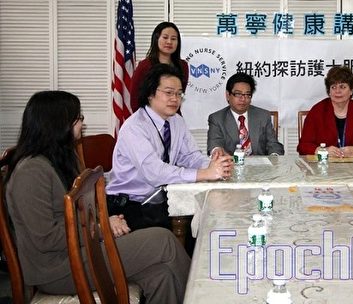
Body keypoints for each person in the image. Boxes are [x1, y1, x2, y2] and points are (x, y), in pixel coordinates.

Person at [5, 91, 190, 303]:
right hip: (56, 268)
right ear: (57, 124)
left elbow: (81, 211)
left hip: (80, 250)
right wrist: (102, 227)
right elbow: (46, 239)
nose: (82, 123)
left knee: (162, 276)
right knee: (164, 240)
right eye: (78, 118)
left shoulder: (62, 157)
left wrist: (105, 221)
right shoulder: (31, 172)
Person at [106, 63, 233, 231]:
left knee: (207, 219)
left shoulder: (176, 121)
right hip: (130, 204)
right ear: (150, 94)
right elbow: (155, 173)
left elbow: (189, 156)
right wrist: (205, 173)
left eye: (179, 94)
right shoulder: (135, 127)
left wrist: (215, 164)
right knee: (188, 229)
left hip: (160, 198)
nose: (175, 99)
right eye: (169, 93)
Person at [297, 65, 353, 157]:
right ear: (329, 91)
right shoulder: (317, 112)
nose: (338, 91)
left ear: (351, 90)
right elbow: (302, 146)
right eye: (333, 87)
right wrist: (323, 150)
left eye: (342, 87)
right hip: (325, 164)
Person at [207, 72, 284, 156]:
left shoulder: (263, 116)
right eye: (238, 94)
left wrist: (274, 156)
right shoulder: (217, 119)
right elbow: (215, 144)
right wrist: (217, 151)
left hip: (259, 163)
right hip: (230, 163)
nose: (243, 99)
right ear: (228, 95)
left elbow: (273, 144)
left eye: (247, 94)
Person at [130, 21, 189, 113]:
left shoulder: (183, 65)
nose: (169, 42)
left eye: (173, 39)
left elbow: (179, 94)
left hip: (173, 115)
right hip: (148, 116)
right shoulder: (144, 65)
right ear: (156, 39)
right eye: (165, 37)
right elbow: (134, 98)